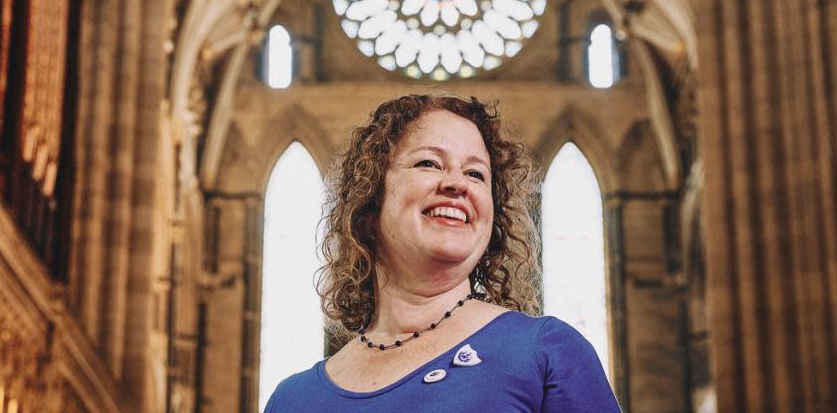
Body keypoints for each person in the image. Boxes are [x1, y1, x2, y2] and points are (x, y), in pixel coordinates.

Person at [264, 93, 620, 412]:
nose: (457, 183)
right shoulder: (292, 399)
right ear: (369, 198)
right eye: (428, 163)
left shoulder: (547, 354)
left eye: (476, 174)